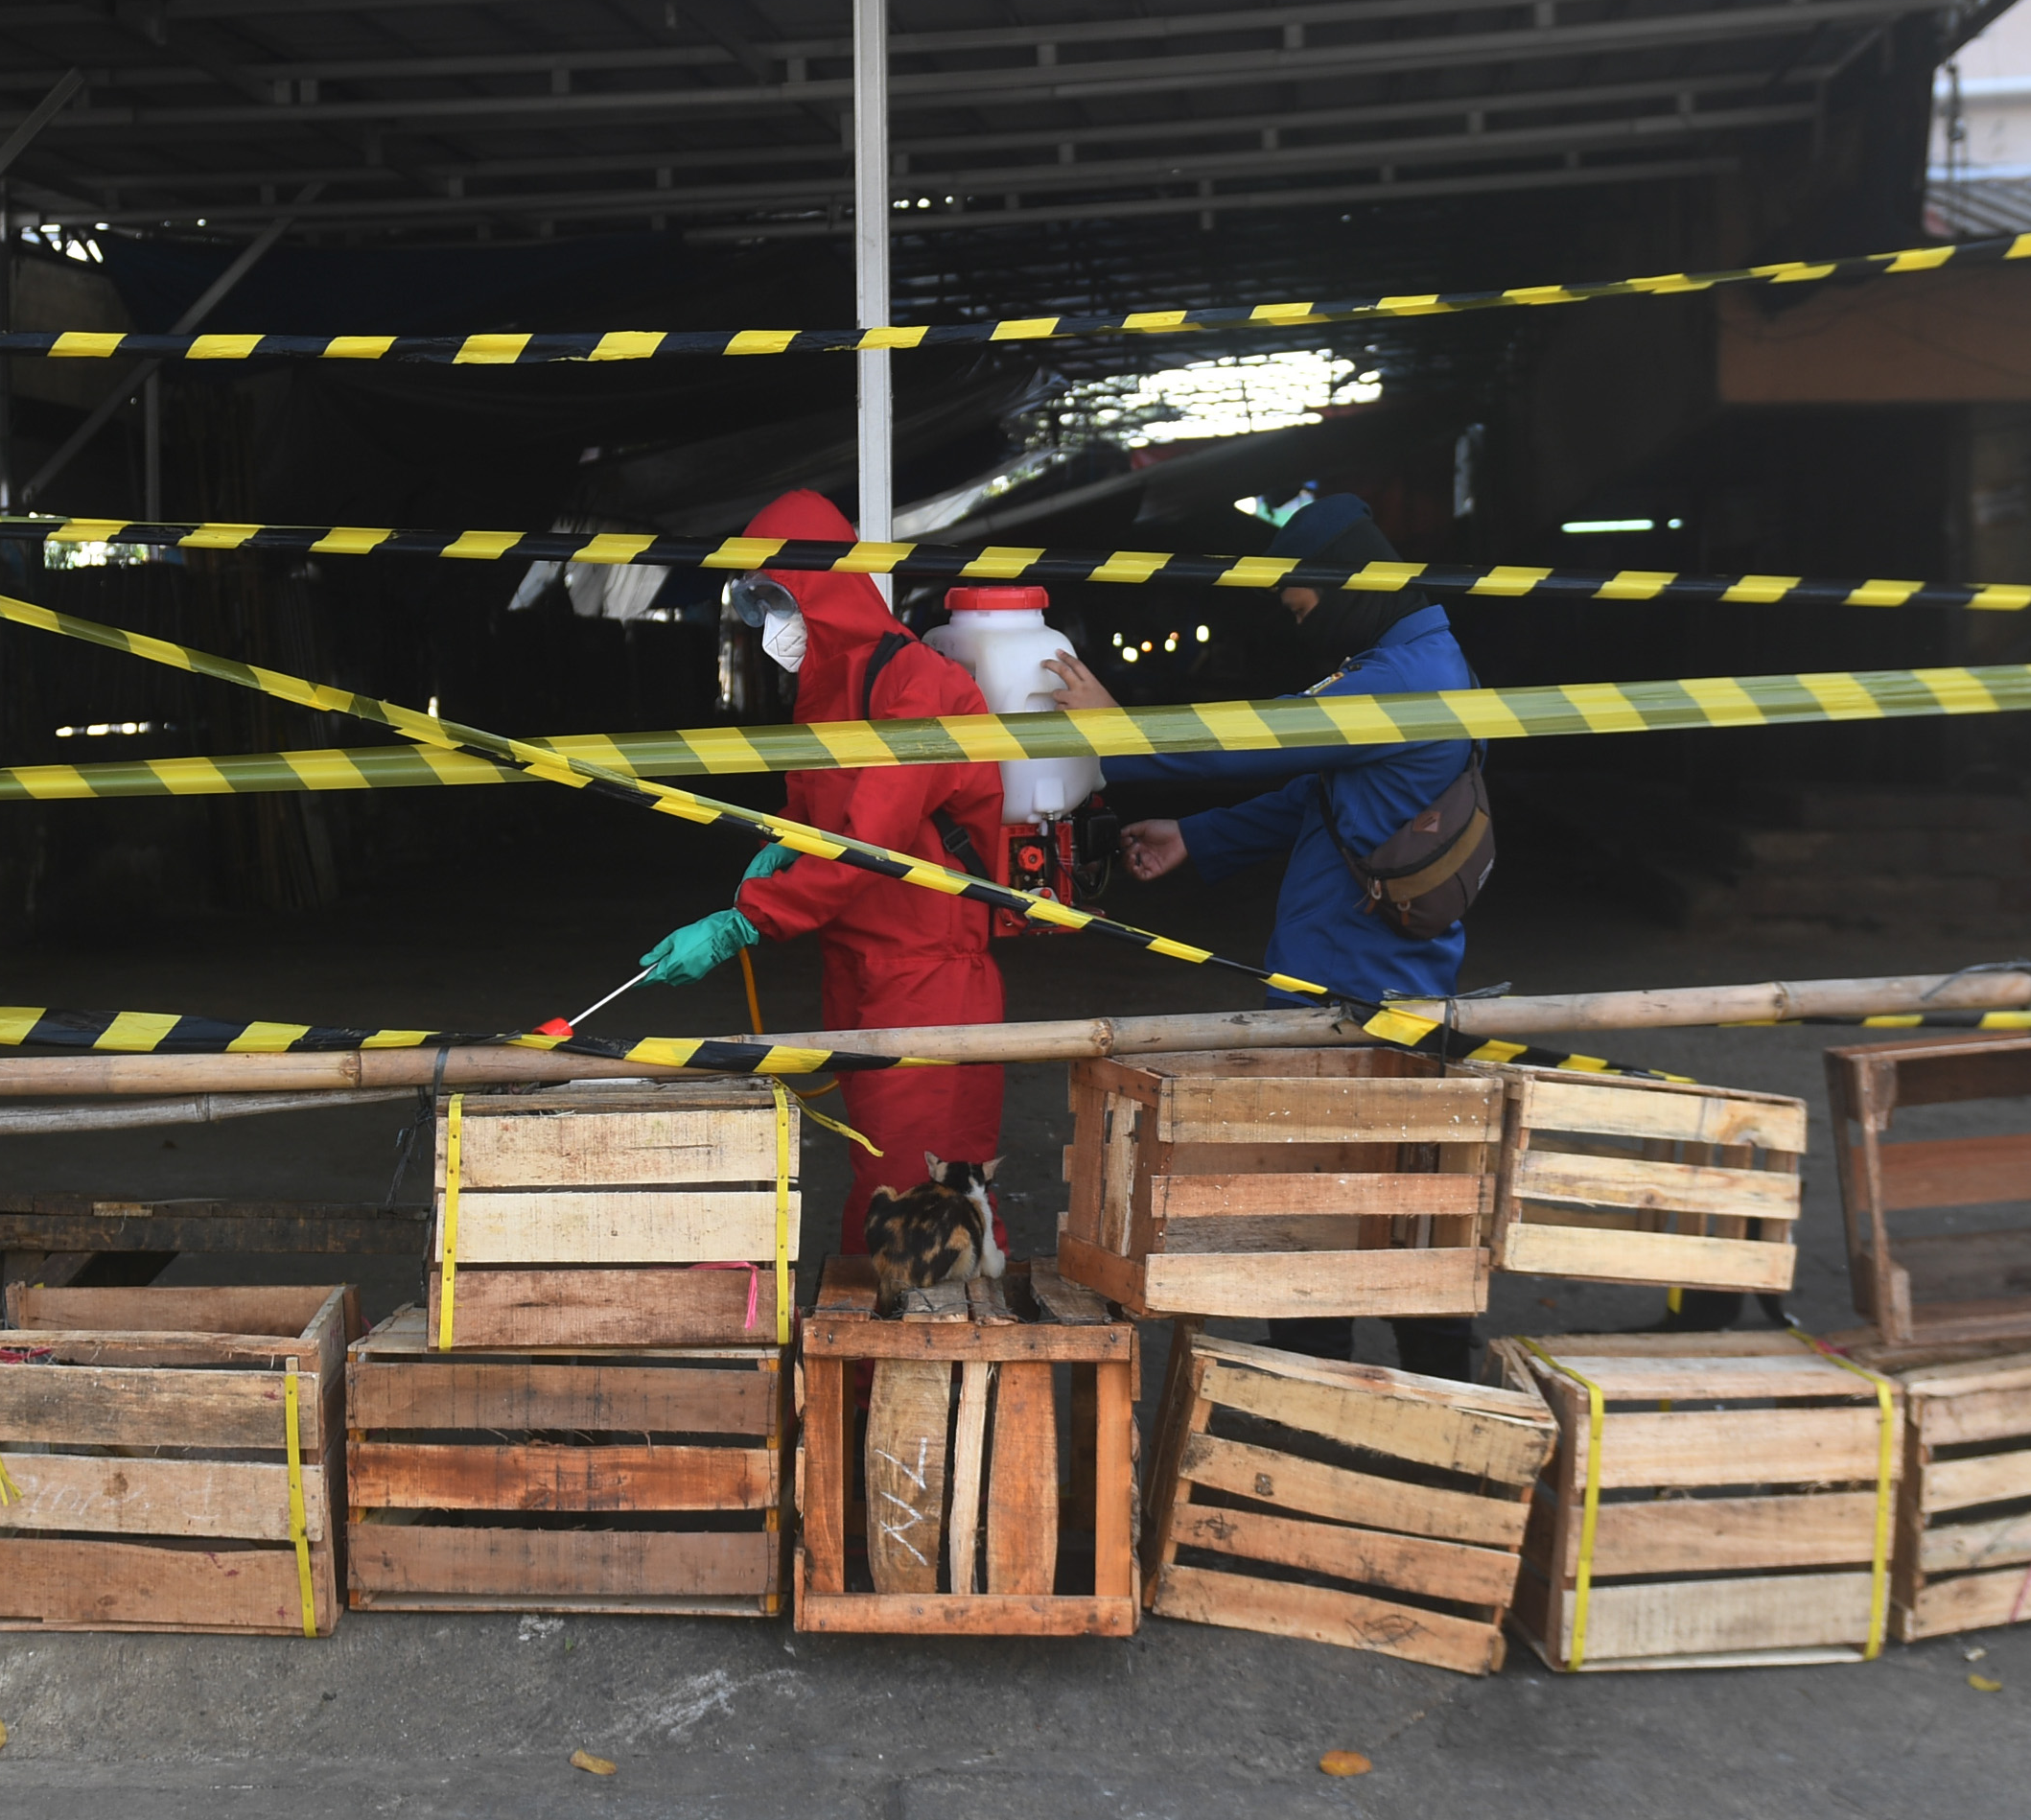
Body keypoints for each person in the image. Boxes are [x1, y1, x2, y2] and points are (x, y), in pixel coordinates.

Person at [1039, 489, 1485, 1381]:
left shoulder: (1404, 678)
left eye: (1301, 607)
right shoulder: (1400, 659)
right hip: (1345, 985)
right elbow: (1315, 791)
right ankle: (1370, 1398)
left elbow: (1257, 744)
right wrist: (1196, 836)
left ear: (1345, 585)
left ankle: (1409, 1409)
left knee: (1349, 1221)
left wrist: (1115, 728)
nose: (1299, 627)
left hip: (1362, 999)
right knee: (1371, 1213)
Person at [632, 488, 1010, 1254]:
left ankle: (901, 1373)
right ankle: (877, 1368)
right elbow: (820, 823)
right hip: (861, 971)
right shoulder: (825, 686)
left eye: (780, 595)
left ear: (822, 584)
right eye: (758, 601)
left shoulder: (916, 685)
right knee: (886, 1185)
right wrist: (784, 846)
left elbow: (868, 844)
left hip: (929, 983)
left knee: (917, 1208)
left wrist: (747, 918)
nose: (772, 619)